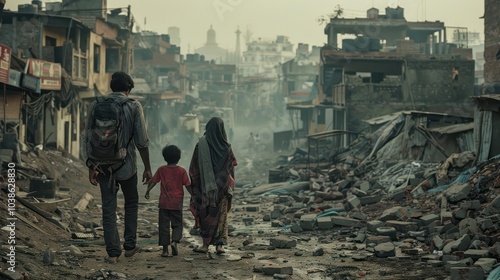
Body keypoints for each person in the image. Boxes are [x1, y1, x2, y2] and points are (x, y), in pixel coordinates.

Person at [86, 72, 152, 264]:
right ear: (128, 88)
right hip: (127, 165)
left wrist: (91, 165)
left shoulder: (96, 104)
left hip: (103, 165)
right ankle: (130, 247)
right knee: (131, 202)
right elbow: (142, 141)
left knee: (108, 208)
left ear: (111, 86)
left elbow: (88, 137)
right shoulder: (133, 105)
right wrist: (148, 167)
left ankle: (113, 253)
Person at [189, 117, 237, 254]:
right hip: (222, 187)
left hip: (205, 187)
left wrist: (197, 185)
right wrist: (230, 185)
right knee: (221, 215)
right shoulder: (227, 148)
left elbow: (194, 168)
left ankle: (205, 245)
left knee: (206, 213)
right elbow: (232, 168)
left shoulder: (200, 145)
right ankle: (219, 246)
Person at [144, 145, 191, 257]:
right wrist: (194, 195)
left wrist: (147, 191)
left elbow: (153, 181)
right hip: (177, 203)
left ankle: (165, 251)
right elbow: (188, 185)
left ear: (165, 157)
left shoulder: (161, 170)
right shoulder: (182, 171)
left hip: (164, 203)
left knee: (164, 226)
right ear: (179, 157)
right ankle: (174, 242)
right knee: (177, 225)